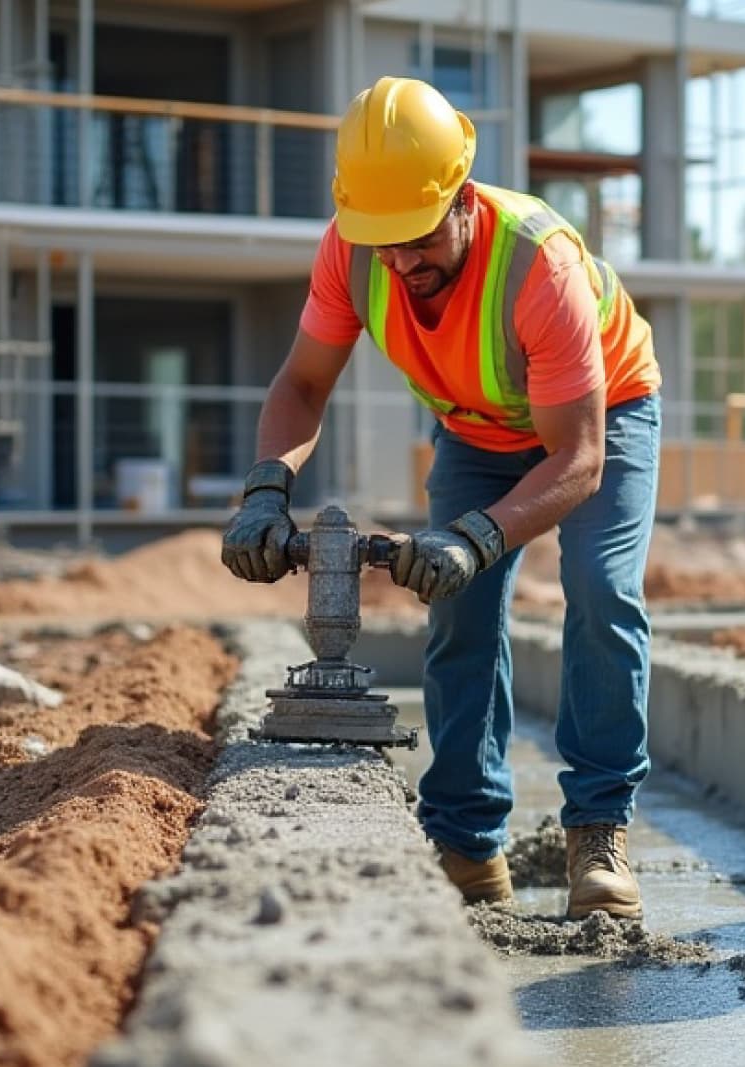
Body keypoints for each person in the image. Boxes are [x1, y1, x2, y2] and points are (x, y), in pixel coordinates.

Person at [219, 76, 662, 917]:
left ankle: (598, 834)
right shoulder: (354, 250)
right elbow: (303, 386)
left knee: (602, 592)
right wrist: (265, 492)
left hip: (602, 418)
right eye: (382, 242)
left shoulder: (540, 265)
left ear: (462, 199)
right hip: (478, 430)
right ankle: (465, 845)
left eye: (417, 238)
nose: (401, 261)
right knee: (458, 614)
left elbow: (576, 461)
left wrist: (476, 537)